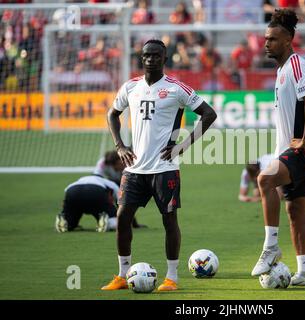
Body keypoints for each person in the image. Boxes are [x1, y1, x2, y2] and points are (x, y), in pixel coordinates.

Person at [101, 39, 217, 292]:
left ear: (165, 58)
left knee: (169, 220)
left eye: (156, 55)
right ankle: (122, 275)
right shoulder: (130, 87)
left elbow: (209, 114)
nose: (150, 59)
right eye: (146, 55)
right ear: (141, 58)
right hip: (134, 169)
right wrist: (120, 145)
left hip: (165, 169)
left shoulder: (176, 88)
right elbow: (112, 114)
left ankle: (171, 278)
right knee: (122, 218)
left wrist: (183, 146)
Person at [251, 9, 305, 286]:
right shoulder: (282, 70)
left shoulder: (296, 65)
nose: (267, 43)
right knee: (295, 211)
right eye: (266, 38)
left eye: (273, 39)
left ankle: (271, 247)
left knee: (265, 179)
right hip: (292, 150)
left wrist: (304, 139)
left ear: (288, 40)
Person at [94, 150, 146, 228]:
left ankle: (133, 223)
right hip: (108, 183)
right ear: (112, 164)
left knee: (127, 202)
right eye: (119, 164)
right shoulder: (103, 163)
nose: (121, 165)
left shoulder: (128, 161)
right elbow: (96, 177)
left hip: (124, 181)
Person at [55, 175, 119, 233]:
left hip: (73, 191)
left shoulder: (79, 180)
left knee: (71, 222)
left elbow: (66, 195)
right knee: (113, 219)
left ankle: (64, 220)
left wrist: (66, 210)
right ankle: (106, 222)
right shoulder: (110, 183)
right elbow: (121, 202)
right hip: (95, 192)